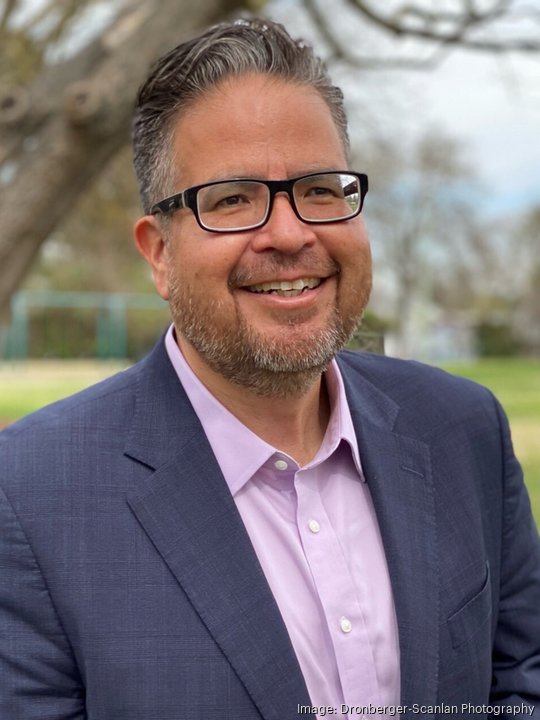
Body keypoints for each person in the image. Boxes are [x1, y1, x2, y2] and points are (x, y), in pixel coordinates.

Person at [1, 17, 539, 720]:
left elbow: (519, 684)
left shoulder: (463, 431)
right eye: (232, 200)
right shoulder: (30, 496)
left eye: (320, 189)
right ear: (158, 253)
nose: (289, 234)